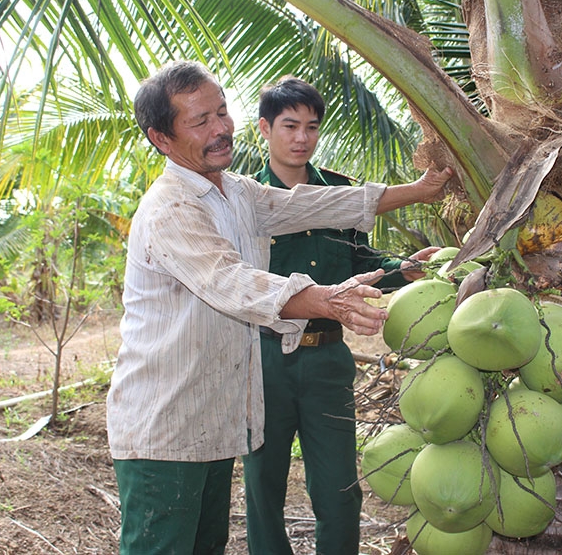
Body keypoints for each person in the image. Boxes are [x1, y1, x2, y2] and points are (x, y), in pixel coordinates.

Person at [105, 60, 452, 555]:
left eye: (222, 112)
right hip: (166, 427)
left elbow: (312, 206)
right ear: (161, 138)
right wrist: (327, 300)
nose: (221, 128)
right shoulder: (172, 208)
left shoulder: (235, 192)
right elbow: (233, 282)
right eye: (199, 121)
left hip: (211, 419)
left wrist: (418, 191)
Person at [243, 76, 441, 555]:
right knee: (262, 491)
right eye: (289, 126)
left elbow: (362, 264)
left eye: (311, 127)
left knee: (339, 491)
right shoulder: (244, 199)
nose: (301, 138)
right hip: (264, 359)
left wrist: (405, 270)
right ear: (264, 130)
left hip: (329, 361)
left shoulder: (341, 192)